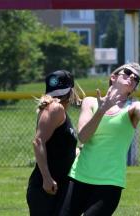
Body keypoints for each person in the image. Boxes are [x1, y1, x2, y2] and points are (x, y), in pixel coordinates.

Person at [59, 62, 140, 216]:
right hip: (80, 176)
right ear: (113, 77)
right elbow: (83, 137)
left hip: (110, 182)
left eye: (136, 78)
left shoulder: (133, 107)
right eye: (127, 73)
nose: (132, 77)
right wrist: (101, 110)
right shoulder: (90, 102)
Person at [26, 70, 82, 216]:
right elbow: (38, 141)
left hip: (61, 185)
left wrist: (77, 151)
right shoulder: (55, 108)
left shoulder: (57, 110)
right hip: (48, 187)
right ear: (71, 90)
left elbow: (57, 147)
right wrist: (47, 178)